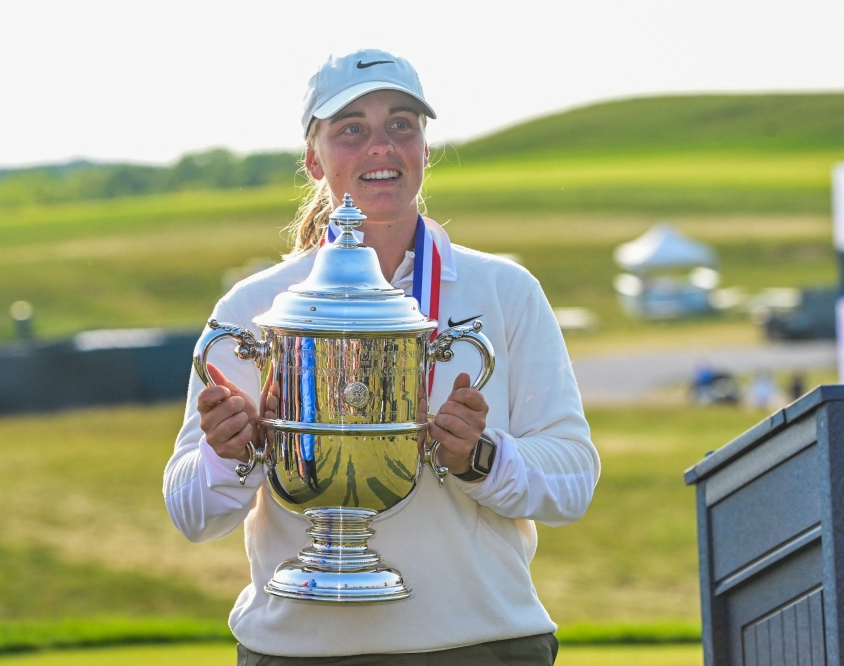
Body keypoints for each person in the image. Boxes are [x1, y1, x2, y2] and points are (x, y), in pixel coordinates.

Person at [163, 49, 600, 665]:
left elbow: (573, 479)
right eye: (351, 129)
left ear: (424, 148)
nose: (381, 146)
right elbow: (190, 512)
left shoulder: (505, 292)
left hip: (478, 644)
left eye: (401, 124)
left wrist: (478, 457)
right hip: (299, 649)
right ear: (314, 158)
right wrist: (231, 451)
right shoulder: (257, 306)